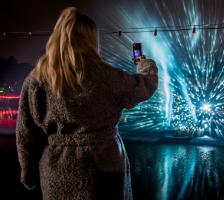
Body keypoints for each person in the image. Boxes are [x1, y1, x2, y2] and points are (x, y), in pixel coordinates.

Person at [15, 7, 158, 200]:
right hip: (104, 170)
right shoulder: (106, 76)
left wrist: (28, 174)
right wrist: (141, 61)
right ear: (92, 40)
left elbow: (25, 134)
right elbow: (145, 84)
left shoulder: (35, 80)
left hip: (57, 173)